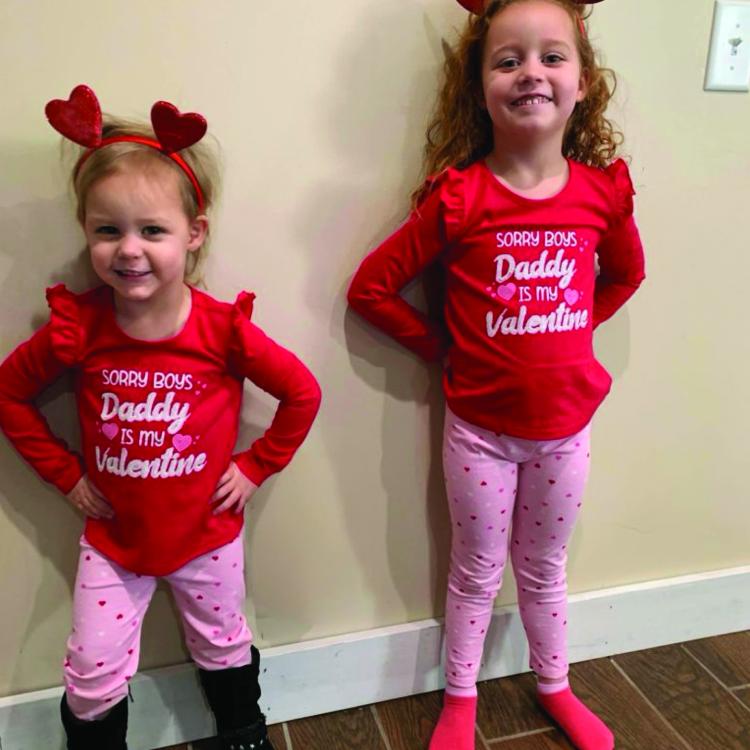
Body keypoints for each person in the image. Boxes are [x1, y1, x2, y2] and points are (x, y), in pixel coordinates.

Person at [347, 2, 645, 748]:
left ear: (582, 82)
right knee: (475, 570)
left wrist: (571, 330)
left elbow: (626, 277)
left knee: (544, 571)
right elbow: (371, 290)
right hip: (478, 435)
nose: (531, 73)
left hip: (564, 433)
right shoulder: (459, 198)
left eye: (552, 57)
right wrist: (446, 347)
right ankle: (459, 699)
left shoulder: (600, 194)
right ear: (480, 87)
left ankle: (555, 685)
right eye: (507, 60)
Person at [0, 85, 321, 750]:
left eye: (152, 230)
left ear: (193, 234)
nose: (129, 249)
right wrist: (64, 475)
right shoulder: (77, 329)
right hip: (115, 545)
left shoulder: (221, 331)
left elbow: (302, 394)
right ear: (86, 231)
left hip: (207, 537)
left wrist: (258, 464)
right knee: (90, 670)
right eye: (107, 230)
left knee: (225, 646)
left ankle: (242, 733)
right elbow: (9, 396)